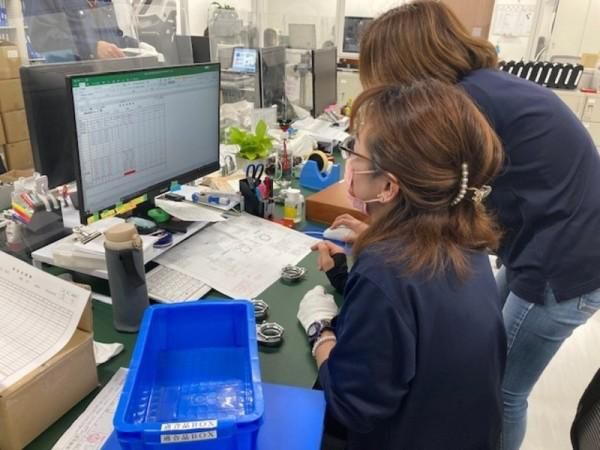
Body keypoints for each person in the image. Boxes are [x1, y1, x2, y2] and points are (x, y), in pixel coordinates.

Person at [335, 2, 600, 449]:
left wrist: (384, 242)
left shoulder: (466, 104)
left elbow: (431, 196)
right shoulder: (483, 87)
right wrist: (384, 237)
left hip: (563, 259)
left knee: (502, 390)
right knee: (475, 355)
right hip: (547, 238)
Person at [297, 80, 507, 450]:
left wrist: (321, 332)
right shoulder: (465, 240)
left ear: (388, 187)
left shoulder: (386, 271)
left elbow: (350, 406)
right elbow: (419, 314)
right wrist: (359, 264)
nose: (349, 162)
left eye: (355, 152)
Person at [24, 0, 138, 61]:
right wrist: (92, 48)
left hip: (111, 77)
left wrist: (135, 45)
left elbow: (111, 35)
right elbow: (43, 37)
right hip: (74, 81)